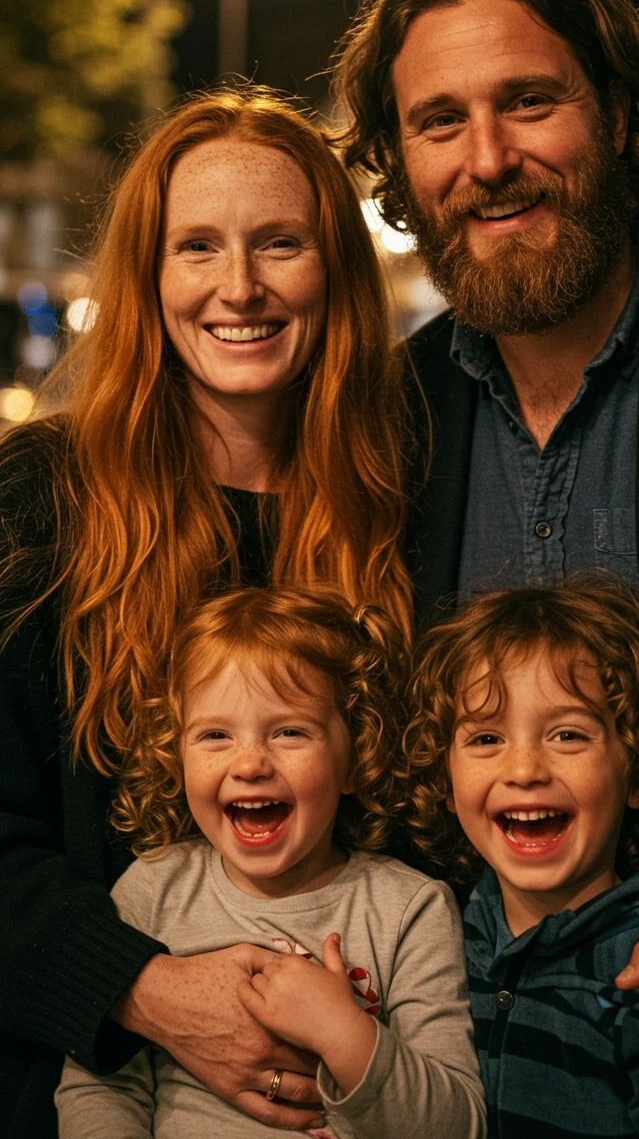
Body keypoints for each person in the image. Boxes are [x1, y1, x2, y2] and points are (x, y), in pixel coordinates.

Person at [330, 0, 639, 1091]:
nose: (487, 160)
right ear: (400, 164)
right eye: (438, 121)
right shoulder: (383, 420)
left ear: (619, 116)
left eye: (528, 102)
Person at [0, 89, 413, 1139]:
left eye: (280, 243)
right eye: (197, 247)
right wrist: (142, 989)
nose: (239, 286)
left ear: (336, 268)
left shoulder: (401, 502)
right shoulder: (37, 503)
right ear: (149, 276)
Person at [54, 587, 485, 1139]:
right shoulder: (153, 891)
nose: (250, 764)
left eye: (289, 732)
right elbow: (101, 1089)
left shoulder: (412, 910)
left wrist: (343, 1032)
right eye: (215, 735)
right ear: (176, 753)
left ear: (356, 756)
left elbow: (458, 1124)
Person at [404, 578, 639, 1136]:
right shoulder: (441, 935)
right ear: (445, 783)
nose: (524, 769)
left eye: (568, 735)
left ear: (638, 772)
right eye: (486, 740)